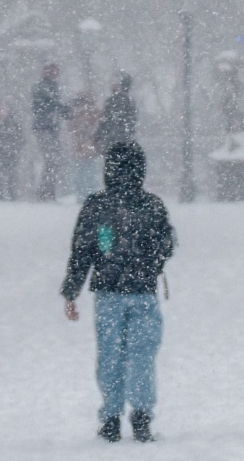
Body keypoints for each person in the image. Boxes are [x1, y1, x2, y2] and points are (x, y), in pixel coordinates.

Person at [59, 137, 175, 442]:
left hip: (109, 292)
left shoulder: (97, 207)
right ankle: (141, 413)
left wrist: (72, 290)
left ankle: (111, 415)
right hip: (143, 290)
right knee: (142, 354)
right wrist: (151, 264)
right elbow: (166, 244)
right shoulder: (152, 206)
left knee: (110, 353)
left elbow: (82, 250)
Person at [31, 64, 69, 200]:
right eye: (50, 70)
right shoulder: (41, 87)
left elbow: (55, 105)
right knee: (51, 159)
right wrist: (63, 108)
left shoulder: (53, 87)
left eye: (55, 71)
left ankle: (47, 191)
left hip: (51, 129)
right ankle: (44, 192)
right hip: (44, 129)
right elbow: (51, 103)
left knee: (54, 160)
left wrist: (65, 110)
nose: (53, 73)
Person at [0, 105, 27, 202]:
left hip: (11, 155)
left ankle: (12, 196)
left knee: (12, 177)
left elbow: (22, 139)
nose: (2, 113)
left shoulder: (15, 125)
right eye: (0, 111)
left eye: (5, 110)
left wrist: (14, 148)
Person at [68, 87, 104, 200]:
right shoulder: (79, 112)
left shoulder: (93, 111)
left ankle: (86, 196)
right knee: (83, 175)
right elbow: (71, 128)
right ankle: (83, 196)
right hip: (84, 148)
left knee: (88, 174)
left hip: (88, 148)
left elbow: (98, 127)